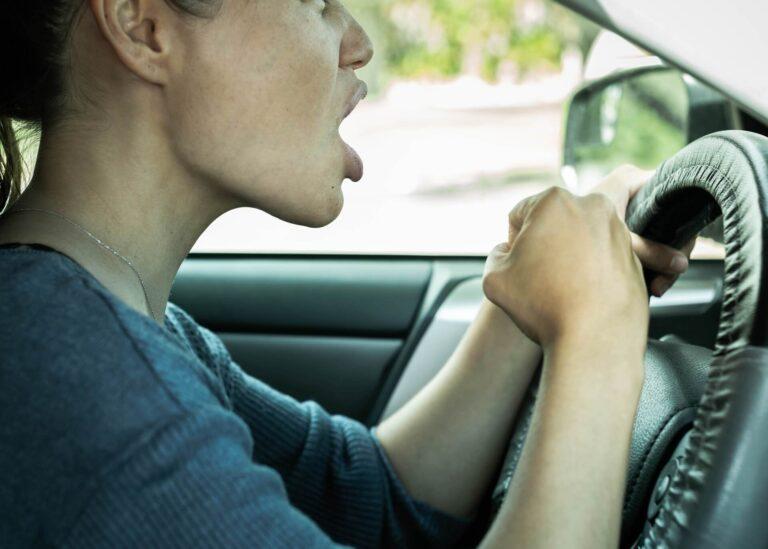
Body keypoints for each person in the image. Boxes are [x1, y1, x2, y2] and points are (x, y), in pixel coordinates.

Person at [0, 1, 692, 547]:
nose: (358, 41)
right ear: (142, 25)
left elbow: (369, 500)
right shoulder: (73, 378)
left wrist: (534, 292)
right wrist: (596, 336)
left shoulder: (101, 331)